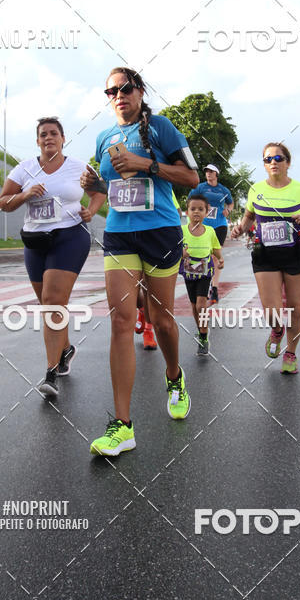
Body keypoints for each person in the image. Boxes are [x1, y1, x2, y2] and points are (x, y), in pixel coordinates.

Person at [81, 67, 199, 455]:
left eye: (125, 88)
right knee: (121, 320)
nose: (118, 95)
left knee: (161, 319)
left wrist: (145, 163)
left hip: (160, 230)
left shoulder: (161, 127)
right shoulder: (103, 138)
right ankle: (123, 426)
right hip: (119, 232)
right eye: (111, 91)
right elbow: (110, 186)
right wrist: (93, 186)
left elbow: (191, 178)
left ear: (140, 91)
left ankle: (174, 376)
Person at [0, 117, 105, 397]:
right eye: (43, 134)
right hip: (35, 241)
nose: (48, 138)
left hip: (70, 236)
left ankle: (51, 372)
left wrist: (91, 211)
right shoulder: (24, 168)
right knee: (48, 304)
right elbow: (4, 202)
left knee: (53, 301)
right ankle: (66, 349)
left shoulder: (79, 167)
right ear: (37, 141)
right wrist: (25, 194)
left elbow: (99, 192)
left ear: (63, 138)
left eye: (54, 133)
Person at [231, 143, 300, 374]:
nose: (273, 162)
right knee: (271, 310)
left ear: (288, 163)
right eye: (268, 159)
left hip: (295, 254)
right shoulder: (256, 190)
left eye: (278, 158)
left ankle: (291, 353)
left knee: (295, 309)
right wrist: (240, 228)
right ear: (264, 164)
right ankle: (277, 329)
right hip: (265, 254)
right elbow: (249, 216)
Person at [135, 191, 182, 350]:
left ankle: (148, 331)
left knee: (147, 288)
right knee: (129, 290)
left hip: (155, 239)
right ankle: (143, 310)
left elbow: (177, 212)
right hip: (125, 235)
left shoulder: (161, 184)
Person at [180, 193, 224, 355]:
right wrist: (181, 253)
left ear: (207, 212)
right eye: (193, 209)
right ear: (187, 212)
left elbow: (216, 248)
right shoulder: (182, 230)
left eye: (200, 209)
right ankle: (201, 330)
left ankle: (204, 335)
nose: (196, 212)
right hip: (189, 272)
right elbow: (173, 249)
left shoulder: (210, 231)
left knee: (200, 304)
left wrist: (220, 259)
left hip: (205, 272)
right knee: (193, 306)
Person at [190, 165, 233, 305]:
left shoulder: (223, 190)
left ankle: (214, 288)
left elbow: (230, 203)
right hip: (204, 226)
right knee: (203, 255)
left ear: (216, 174)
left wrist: (228, 210)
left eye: (211, 171)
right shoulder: (200, 188)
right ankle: (203, 284)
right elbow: (190, 201)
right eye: (206, 172)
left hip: (220, 225)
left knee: (215, 256)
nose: (208, 174)